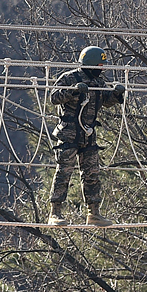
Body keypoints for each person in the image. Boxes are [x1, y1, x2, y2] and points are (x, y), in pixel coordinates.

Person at [47, 45, 126, 226]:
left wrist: (116, 94)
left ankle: (94, 213)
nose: (102, 69)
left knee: (92, 173)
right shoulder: (69, 78)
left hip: (88, 134)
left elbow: (105, 101)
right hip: (69, 134)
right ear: (91, 65)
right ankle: (55, 213)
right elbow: (54, 97)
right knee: (64, 172)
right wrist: (73, 91)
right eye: (100, 66)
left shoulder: (98, 83)